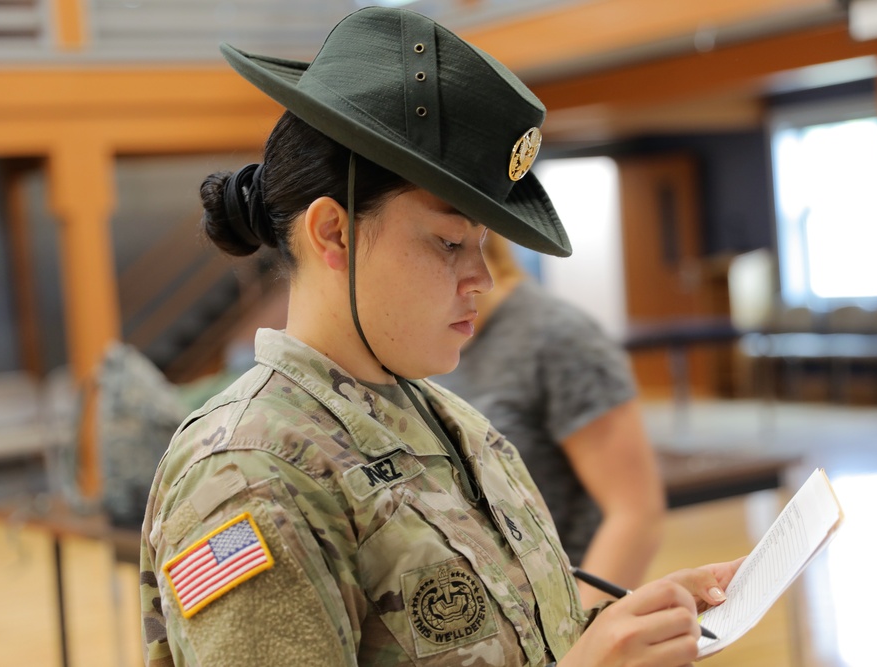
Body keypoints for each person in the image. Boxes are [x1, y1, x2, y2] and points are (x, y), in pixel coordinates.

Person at [139, 7, 742, 667]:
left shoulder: (447, 418)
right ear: (334, 233)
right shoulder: (245, 477)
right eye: (450, 241)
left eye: (481, 243)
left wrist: (625, 628)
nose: (481, 276)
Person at [433, 233, 665, 606]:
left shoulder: (557, 336)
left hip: (556, 617)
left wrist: (579, 644)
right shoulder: (418, 342)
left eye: (446, 241)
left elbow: (636, 514)